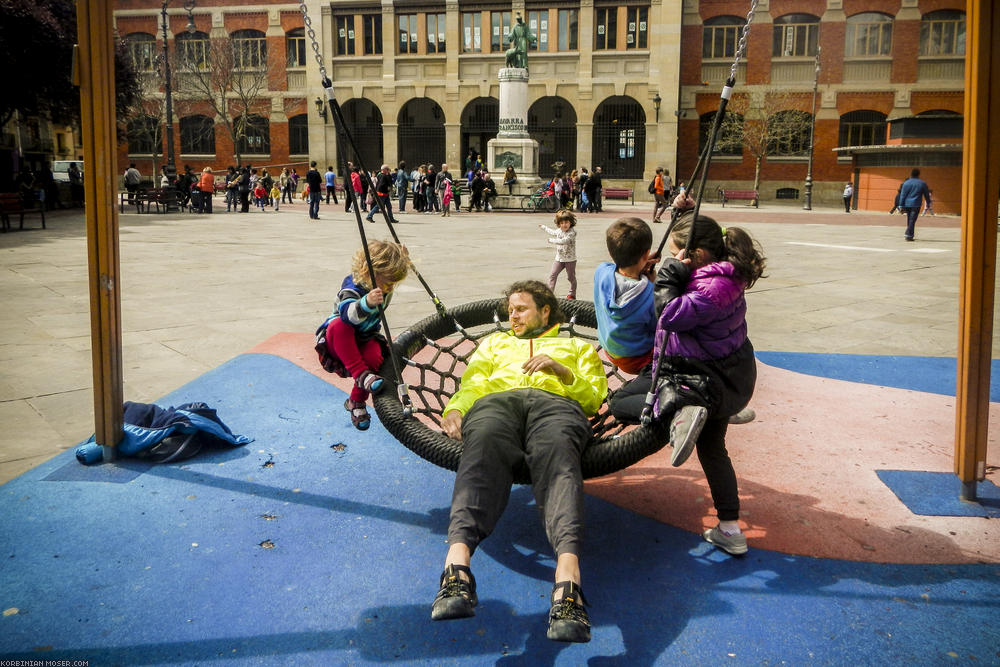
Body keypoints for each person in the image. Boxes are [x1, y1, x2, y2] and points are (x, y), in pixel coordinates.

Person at [432, 280, 607, 644]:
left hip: (556, 405)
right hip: (499, 403)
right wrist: (456, 409)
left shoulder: (576, 346)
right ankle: (457, 570)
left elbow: (592, 399)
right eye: (510, 309)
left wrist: (562, 372)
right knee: (481, 448)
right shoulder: (495, 342)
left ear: (546, 311)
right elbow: (475, 382)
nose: (512, 315)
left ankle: (567, 585)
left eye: (521, 308)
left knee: (560, 457)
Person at [609, 213, 765, 553]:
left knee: (621, 404)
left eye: (676, 253)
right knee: (713, 448)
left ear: (691, 256)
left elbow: (670, 315)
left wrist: (666, 278)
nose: (670, 259)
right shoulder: (723, 273)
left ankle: (685, 409)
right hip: (722, 375)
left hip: (698, 379)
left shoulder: (709, 287)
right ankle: (729, 528)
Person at [321, 240, 410, 431]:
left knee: (375, 355)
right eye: (387, 281)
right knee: (338, 325)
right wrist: (366, 303)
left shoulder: (384, 282)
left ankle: (356, 401)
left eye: (393, 283)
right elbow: (347, 315)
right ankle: (361, 375)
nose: (389, 287)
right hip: (339, 342)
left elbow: (393, 271)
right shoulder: (353, 285)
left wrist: (403, 259)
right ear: (370, 271)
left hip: (364, 338)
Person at [593, 217, 659, 375]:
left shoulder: (601, 271)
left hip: (609, 350)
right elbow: (657, 329)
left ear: (610, 252)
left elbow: (617, 269)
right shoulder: (650, 293)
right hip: (638, 360)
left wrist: (640, 264)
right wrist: (653, 282)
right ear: (647, 254)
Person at [540, 209, 578, 299]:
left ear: (570, 222)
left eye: (566, 222)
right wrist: (544, 227)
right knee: (552, 275)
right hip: (559, 259)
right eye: (561, 223)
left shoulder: (572, 233)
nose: (564, 225)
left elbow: (564, 241)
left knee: (571, 277)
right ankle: (549, 294)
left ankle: (572, 294)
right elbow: (553, 232)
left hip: (570, 260)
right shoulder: (559, 231)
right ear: (558, 224)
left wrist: (551, 240)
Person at [898, 168, 932, 241]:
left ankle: (910, 235)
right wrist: (928, 203)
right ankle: (908, 234)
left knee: (909, 219)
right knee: (912, 220)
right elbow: (926, 194)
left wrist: (901, 205)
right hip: (916, 204)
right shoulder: (922, 183)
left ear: (911, 174)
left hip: (907, 204)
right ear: (918, 174)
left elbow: (902, 195)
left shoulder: (906, 183)